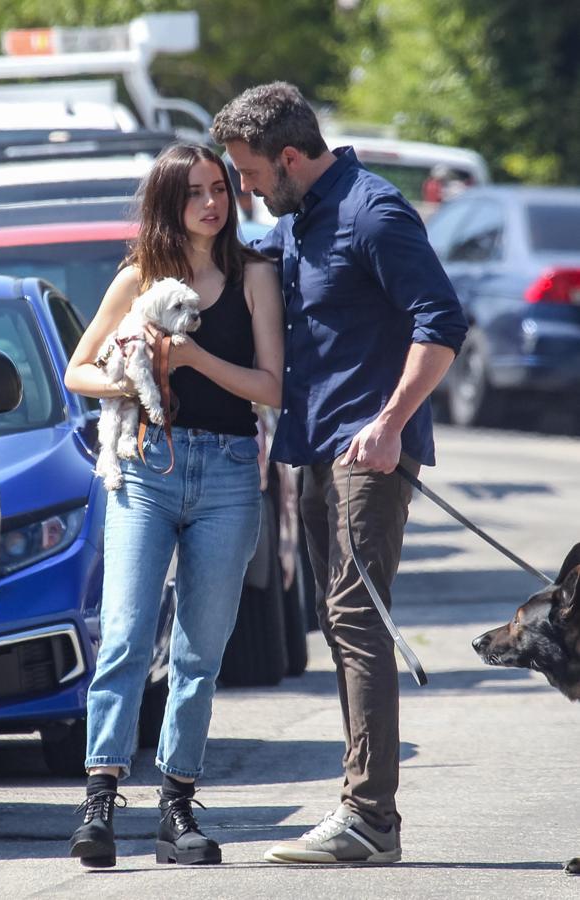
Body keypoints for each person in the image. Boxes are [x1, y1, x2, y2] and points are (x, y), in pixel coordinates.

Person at [212, 82, 468, 865]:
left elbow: (441, 322)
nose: (246, 189)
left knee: (355, 620)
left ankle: (369, 818)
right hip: (317, 446)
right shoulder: (298, 219)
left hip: (369, 451)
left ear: (289, 157)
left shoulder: (372, 212)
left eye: (251, 173)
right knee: (338, 621)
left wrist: (390, 424)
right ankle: (364, 812)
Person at [64, 142, 284, 868]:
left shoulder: (254, 275)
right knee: (126, 635)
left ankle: (176, 806)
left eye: (219, 188)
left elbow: (271, 387)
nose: (211, 203)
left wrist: (191, 359)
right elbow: (77, 371)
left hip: (228, 473)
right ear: (167, 200)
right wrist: (134, 381)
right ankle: (99, 800)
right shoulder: (139, 277)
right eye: (194, 192)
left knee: (198, 652)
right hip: (145, 468)